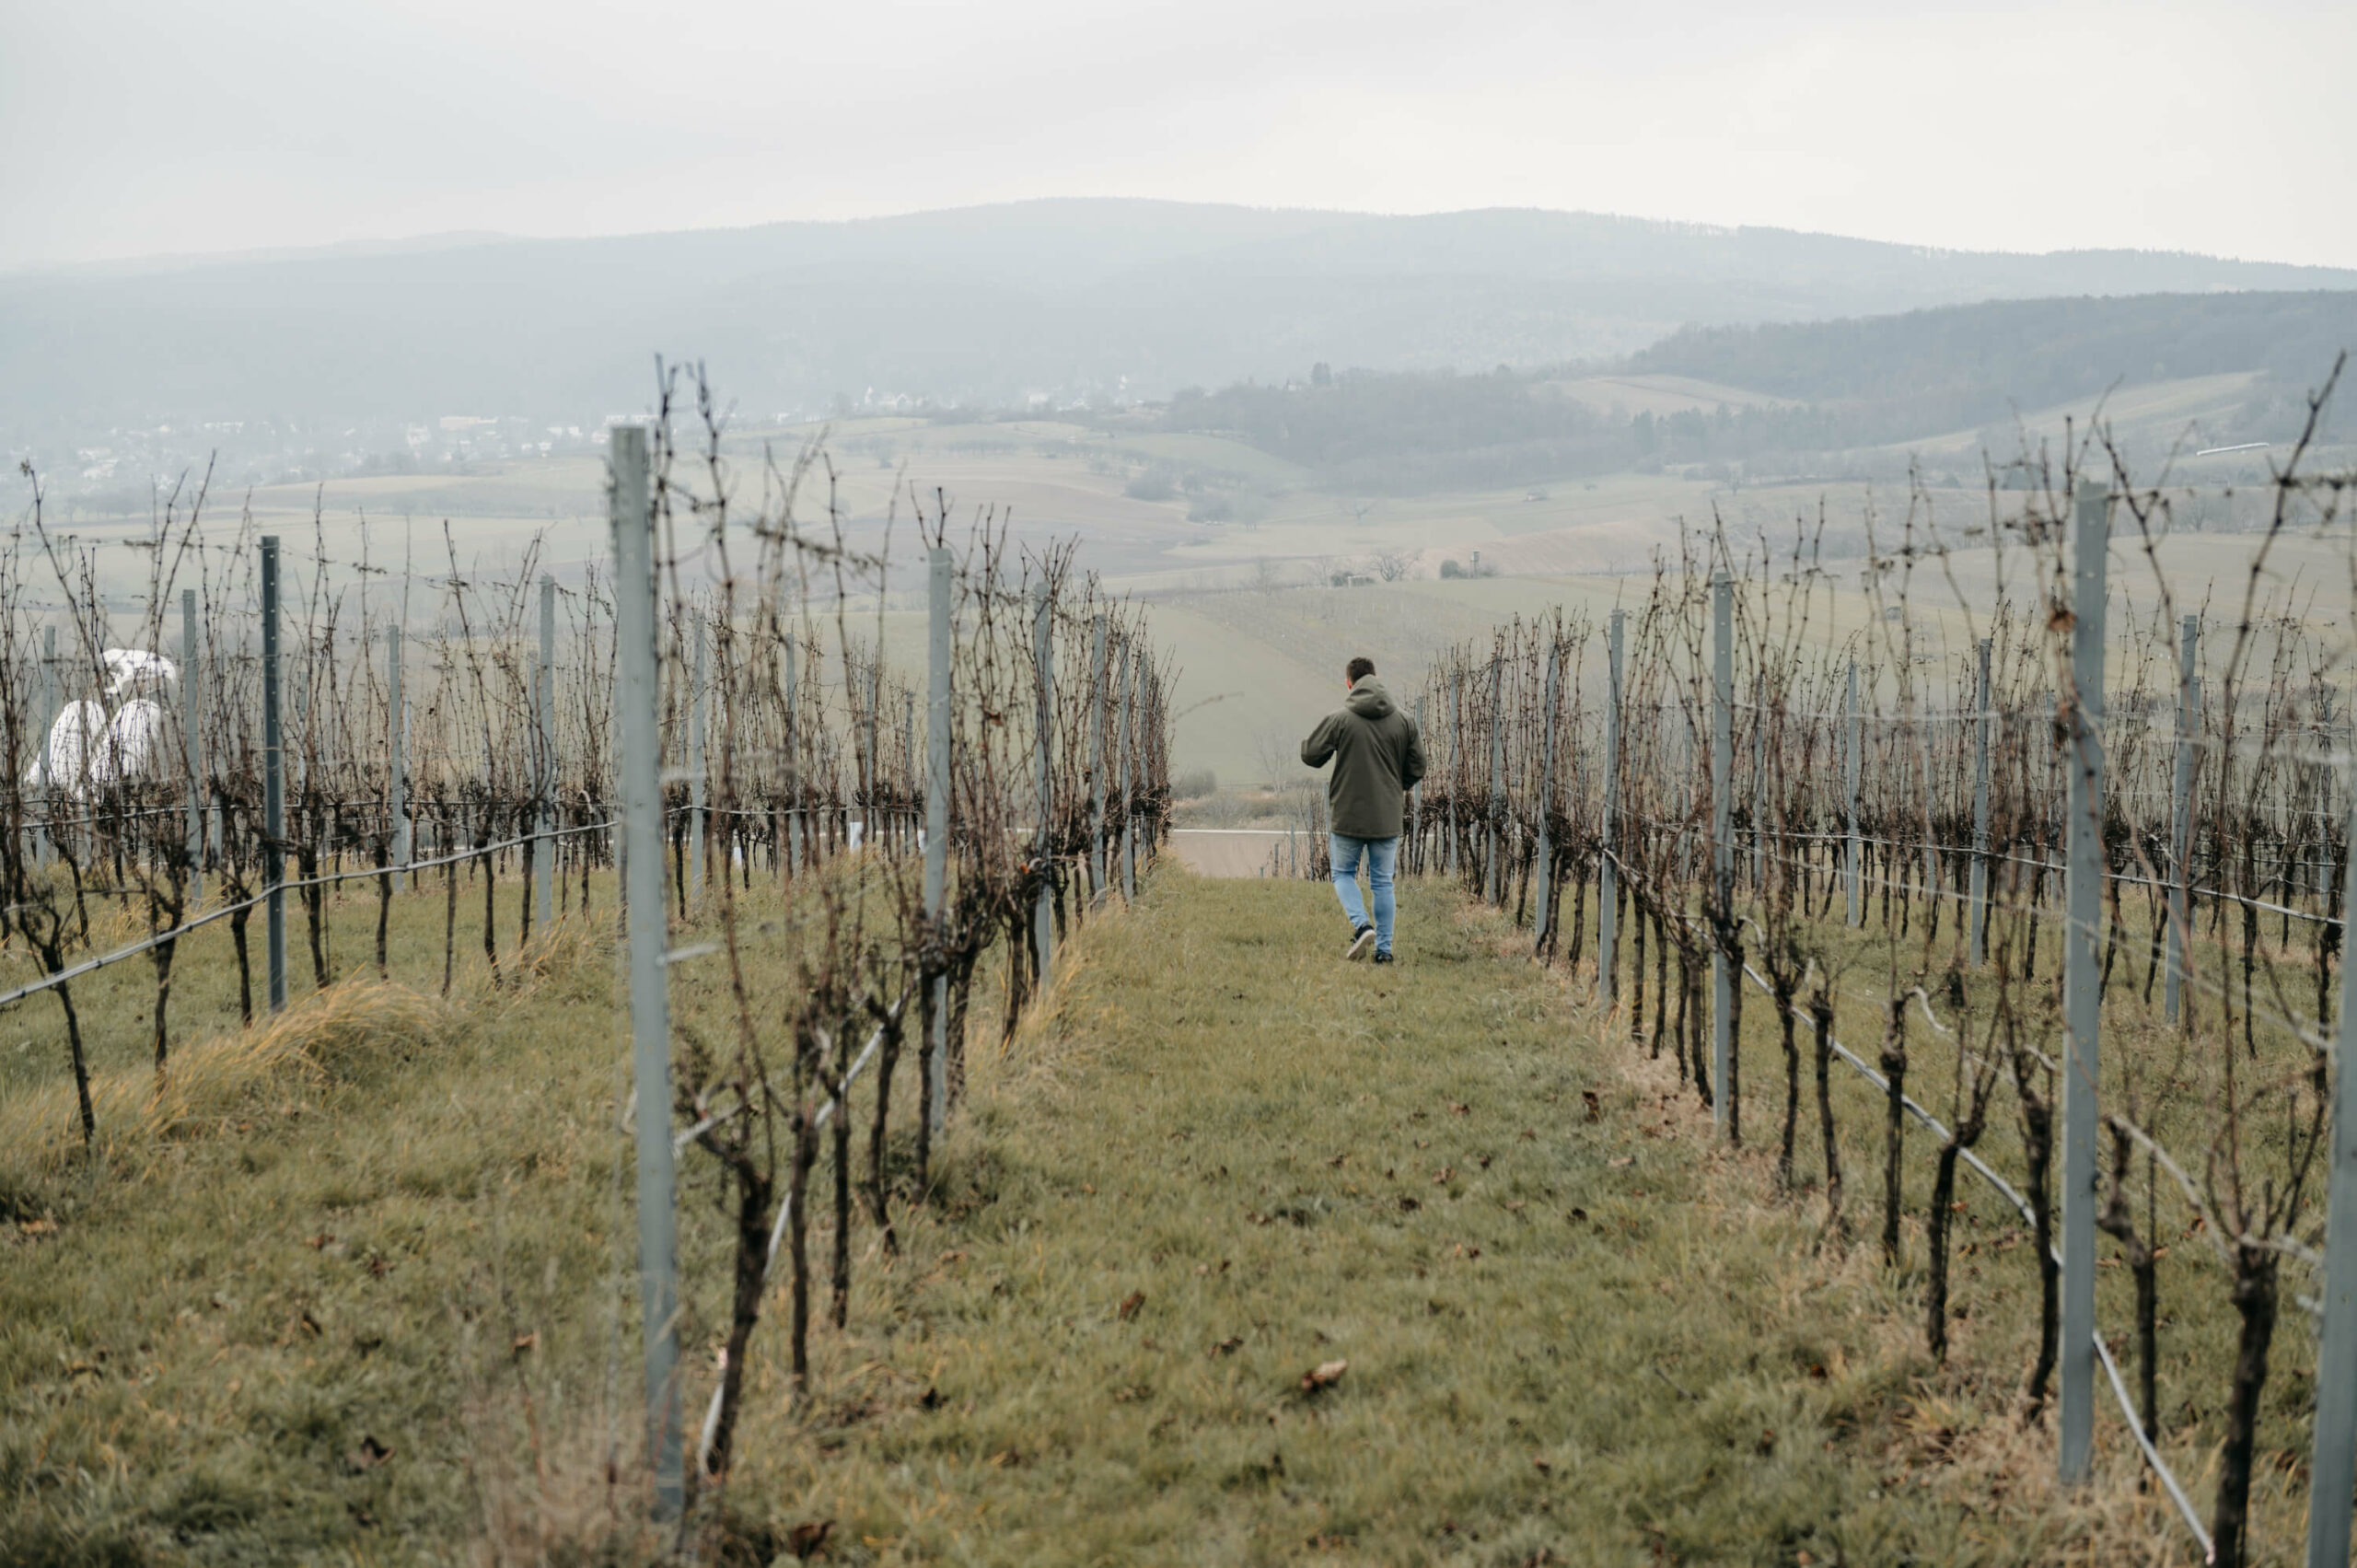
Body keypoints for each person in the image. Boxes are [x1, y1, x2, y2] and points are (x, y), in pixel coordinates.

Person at [1299, 656, 1426, 963]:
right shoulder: (1404, 720)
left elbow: (1311, 755)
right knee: (1383, 882)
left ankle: (1362, 925)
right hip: (1387, 815)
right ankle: (1384, 951)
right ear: (1376, 678)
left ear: (1349, 684)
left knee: (1343, 874)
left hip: (1348, 813)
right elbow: (1418, 766)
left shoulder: (1341, 719)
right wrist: (1397, 787)